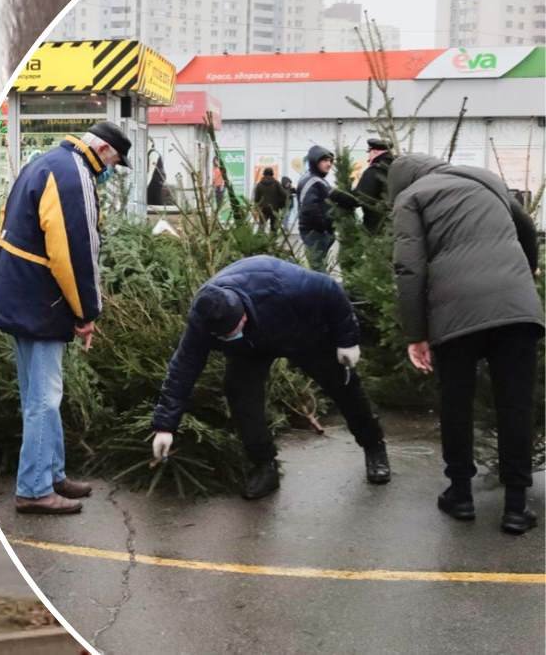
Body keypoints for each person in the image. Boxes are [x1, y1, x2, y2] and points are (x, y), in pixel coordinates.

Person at [0, 121, 132, 515]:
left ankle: (52, 474)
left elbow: (4, 221)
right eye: (116, 160)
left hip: (16, 295)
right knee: (45, 399)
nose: (113, 169)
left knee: (38, 393)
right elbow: (75, 252)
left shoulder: (44, 162)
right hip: (39, 302)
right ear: (102, 150)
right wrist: (86, 312)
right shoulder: (73, 175)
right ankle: (34, 489)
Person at [390, 153, 544, 534]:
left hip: (454, 315)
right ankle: (515, 506)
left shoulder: (411, 198)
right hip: (516, 309)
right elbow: (526, 224)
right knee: (515, 404)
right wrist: (528, 267)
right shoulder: (484, 178)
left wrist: (416, 334)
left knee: (455, 403)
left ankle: (460, 495)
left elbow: (409, 267)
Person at [150, 255, 390, 500]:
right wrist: (164, 426)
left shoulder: (285, 284)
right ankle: (264, 465)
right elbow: (183, 367)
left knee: (344, 385)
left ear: (242, 314)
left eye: (235, 330)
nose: (233, 335)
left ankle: (374, 446)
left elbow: (331, 290)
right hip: (249, 351)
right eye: (226, 335)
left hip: (301, 333)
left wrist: (347, 341)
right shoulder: (203, 318)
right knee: (240, 395)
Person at [330, 138, 394, 233]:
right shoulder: (396, 168)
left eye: (369, 152)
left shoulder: (374, 172)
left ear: (375, 152)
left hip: (377, 228)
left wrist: (335, 194)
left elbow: (359, 198)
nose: (368, 157)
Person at [297, 145, 336, 272]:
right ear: (315, 161)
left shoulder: (318, 180)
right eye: (325, 161)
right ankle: (321, 292)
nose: (329, 164)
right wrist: (324, 227)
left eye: (330, 161)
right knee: (318, 269)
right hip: (315, 233)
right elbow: (310, 209)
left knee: (318, 267)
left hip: (320, 232)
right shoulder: (312, 181)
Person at [252, 167, 287, 234]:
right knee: (273, 227)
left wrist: (256, 208)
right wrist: (281, 204)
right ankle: (273, 241)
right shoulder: (276, 183)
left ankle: (259, 241)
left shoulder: (259, 185)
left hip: (263, 209)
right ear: (272, 174)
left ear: (264, 174)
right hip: (274, 208)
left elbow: (256, 198)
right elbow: (284, 194)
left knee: (261, 226)